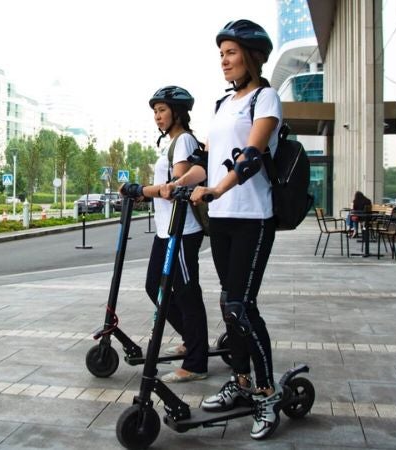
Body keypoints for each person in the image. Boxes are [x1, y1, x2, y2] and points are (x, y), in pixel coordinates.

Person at [182, 19, 283, 440]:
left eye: (231, 52)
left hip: (253, 217)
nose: (223, 61)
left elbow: (251, 155)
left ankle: (266, 392)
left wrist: (217, 188)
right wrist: (179, 183)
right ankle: (240, 382)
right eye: (220, 54)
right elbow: (210, 158)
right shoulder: (223, 105)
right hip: (222, 220)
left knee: (242, 305)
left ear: (252, 56)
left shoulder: (265, 98)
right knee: (228, 305)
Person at [121, 86, 209, 383]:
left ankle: (196, 362)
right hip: (166, 231)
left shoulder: (183, 141)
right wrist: (145, 195)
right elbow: (164, 188)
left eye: (162, 110)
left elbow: (175, 189)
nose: (157, 116)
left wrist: (143, 190)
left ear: (177, 112)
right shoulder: (171, 143)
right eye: (155, 111)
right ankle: (191, 337)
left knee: (186, 292)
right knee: (153, 285)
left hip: (182, 231)